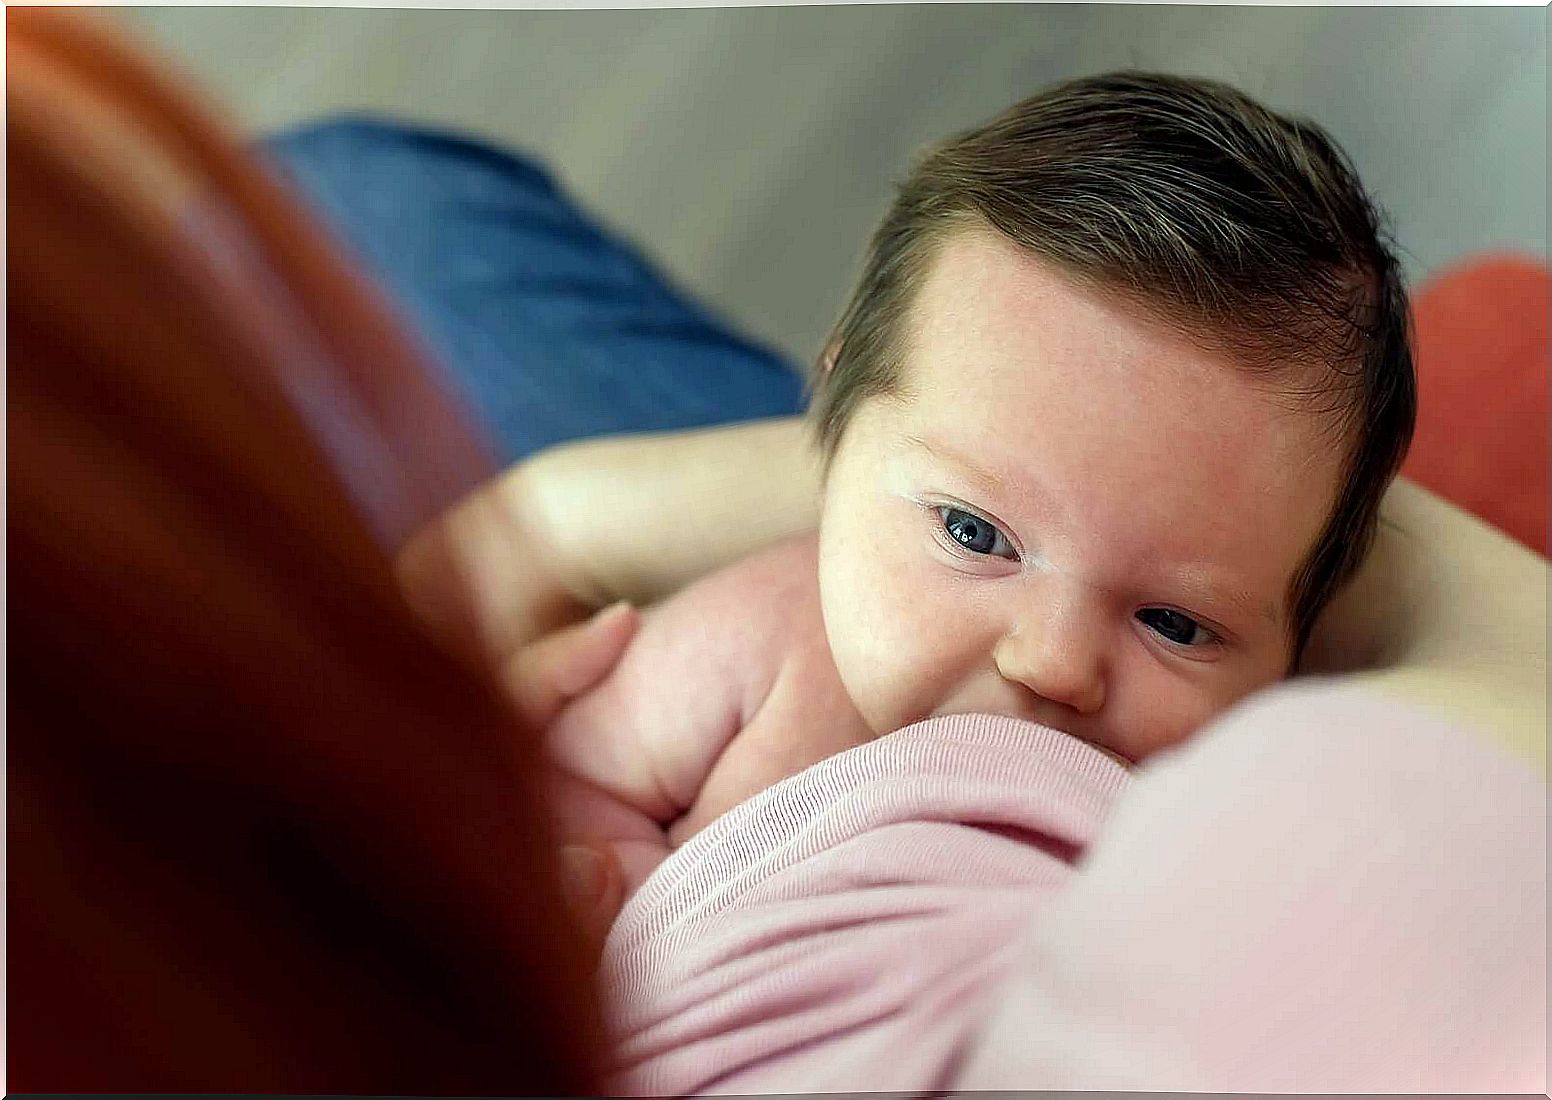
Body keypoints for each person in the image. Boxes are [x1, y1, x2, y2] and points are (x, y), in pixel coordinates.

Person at [443, 73, 1421, 888]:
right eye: (971, 532)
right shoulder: (754, 639)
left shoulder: (1191, 848)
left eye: (1176, 622)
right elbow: (574, 780)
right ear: (828, 423)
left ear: (1301, 652)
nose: (1052, 664)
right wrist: (609, 882)